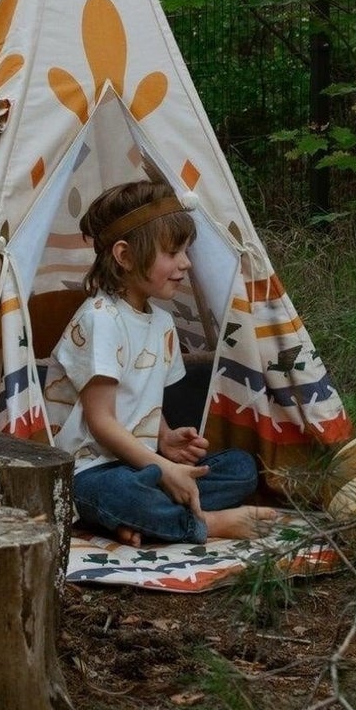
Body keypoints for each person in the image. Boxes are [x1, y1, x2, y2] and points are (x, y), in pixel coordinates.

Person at [45, 180, 288, 546]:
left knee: (241, 467)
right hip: (91, 470)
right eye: (173, 252)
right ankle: (206, 523)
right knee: (118, 494)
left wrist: (166, 439)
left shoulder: (161, 323)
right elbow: (101, 422)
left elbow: (144, 397)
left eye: (186, 251)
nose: (186, 263)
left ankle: (142, 520)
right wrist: (165, 468)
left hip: (141, 465)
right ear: (125, 257)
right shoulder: (100, 319)